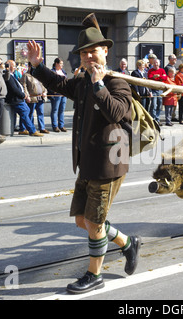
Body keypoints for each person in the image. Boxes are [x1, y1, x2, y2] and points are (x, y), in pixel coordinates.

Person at [26, 19, 141, 294]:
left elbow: (116, 113)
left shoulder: (117, 83)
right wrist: (37, 66)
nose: (89, 56)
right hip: (87, 163)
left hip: (108, 164)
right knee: (82, 219)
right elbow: (58, 82)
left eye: (94, 51)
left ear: (105, 52)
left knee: (95, 223)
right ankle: (127, 243)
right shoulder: (81, 82)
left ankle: (94, 274)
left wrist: (99, 83)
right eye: (84, 52)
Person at [5, 60, 44, 137]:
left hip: (19, 98)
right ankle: (32, 130)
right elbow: (14, 89)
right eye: (13, 66)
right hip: (16, 99)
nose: (15, 67)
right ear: (9, 66)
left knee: (26, 111)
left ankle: (23, 129)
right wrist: (23, 95)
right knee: (25, 111)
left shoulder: (11, 75)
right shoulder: (8, 75)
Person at [21, 62, 49, 134]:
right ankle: (30, 128)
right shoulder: (26, 75)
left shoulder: (38, 75)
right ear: (29, 66)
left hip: (40, 97)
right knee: (30, 113)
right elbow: (24, 86)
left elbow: (43, 85)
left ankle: (42, 128)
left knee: (41, 113)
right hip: (32, 98)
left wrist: (45, 92)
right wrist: (27, 95)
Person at [49, 58, 68, 132]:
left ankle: (61, 125)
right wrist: (52, 91)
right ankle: (55, 126)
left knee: (62, 110)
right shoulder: (52, 72)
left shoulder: (63, 72)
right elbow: (49, 82)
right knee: (55, 110)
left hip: (64, 94)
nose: (62, 65)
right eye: (61, 64)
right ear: (56, 64)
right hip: (56, 94)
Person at [147, 58, 167, 125]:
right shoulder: (150, 70)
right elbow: (149, 78)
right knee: (153, 105)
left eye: (157, 63)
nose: (156, 64)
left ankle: (157, 119)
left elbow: (165, 78)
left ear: (159, 64)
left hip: (160, 90)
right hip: (153, 90)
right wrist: (154, 77)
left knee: (159, 105)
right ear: (153, 64)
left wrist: (158, 76)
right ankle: (153, 119)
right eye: (155, 63)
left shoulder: (162, 70)